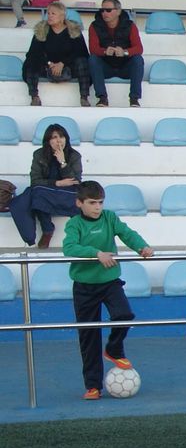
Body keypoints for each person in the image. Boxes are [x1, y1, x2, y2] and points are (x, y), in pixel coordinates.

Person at [62, 180, 153, 399]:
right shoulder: (74, 224)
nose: (97, 207)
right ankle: (93, 386)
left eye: (100, 202)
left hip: (109, 281)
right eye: (92, 203)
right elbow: (69, 247)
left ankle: (114, 349)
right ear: (79, 203)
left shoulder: (110, 218)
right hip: (84, 287)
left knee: (124, 314)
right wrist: (96, 254)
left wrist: (142, 246)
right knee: (88, 335)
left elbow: (127, 233)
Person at [11, 122, 83, 247]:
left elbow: (76, 180)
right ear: (48, 141)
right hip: (47, 190)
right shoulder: (39, 154)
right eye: (54, 137)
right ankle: (47, 230)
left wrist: (63, 162)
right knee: (37, 193)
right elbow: (35, 180)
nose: (59, 141)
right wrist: (57, 183)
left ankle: (77, 232)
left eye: (61, 137)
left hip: (67, 192)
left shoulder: (74, 155)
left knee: (80, 196)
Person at [22, 1, 90, 107]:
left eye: (53, 13)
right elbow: (34, 52)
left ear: (62, 16)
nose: (49, 16)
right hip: (47, 66)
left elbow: (81, 52)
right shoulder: (41, 30)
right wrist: (49, 63)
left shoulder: (73, 31)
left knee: (82, 61)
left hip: (69, 67)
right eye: (48, 13)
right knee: (31, 61)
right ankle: (34, 97)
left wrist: (62, 63)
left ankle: (84, 98)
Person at [86, 0, 144, 108]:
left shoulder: (130, 25)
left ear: (118, 11)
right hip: (106, 67)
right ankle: (102, 98)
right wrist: (104, 51)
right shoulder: (94, 26)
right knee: (93, 59)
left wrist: (125, 52)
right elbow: (93, 49)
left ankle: (134, 99)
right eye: (102, 10)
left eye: (108, 10)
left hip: (125, 67)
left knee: (138, 59)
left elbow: (139, 48)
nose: (104, 13)